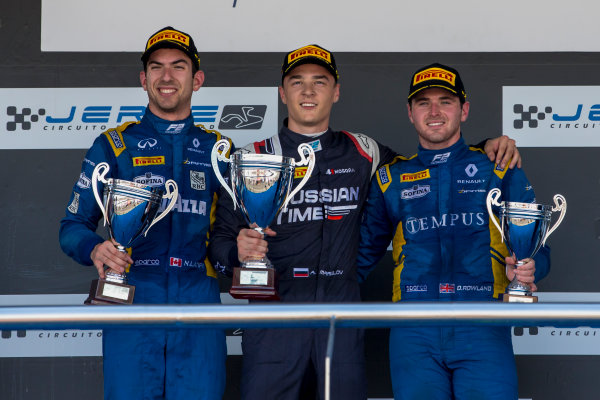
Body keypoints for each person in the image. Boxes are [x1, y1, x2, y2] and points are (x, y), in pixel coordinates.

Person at [208, 46, 521, 399]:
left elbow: (427, 168)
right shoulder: (249, 158)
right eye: (297, 82)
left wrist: (487, 149)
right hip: (273, 320)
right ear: (282, 93)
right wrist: (237, 252)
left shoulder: (365, 151)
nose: (308, 92)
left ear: (337, 91)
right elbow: (218, 246)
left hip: (341, 320)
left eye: (320, 82)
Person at [357, 63, 550, 399]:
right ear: (410, 112)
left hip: (483, 324)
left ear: (464, 109)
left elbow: (539, 250)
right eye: (423, 103)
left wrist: (532, 269)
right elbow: (360, 256)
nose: (434, 111)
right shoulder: (390, 179)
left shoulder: (499, 167)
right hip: (413, 330)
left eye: (445, 101)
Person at [59, 26, 231, 400]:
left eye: (178, 66)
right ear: (144, 79)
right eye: (156, 67)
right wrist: (94, 248)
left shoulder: (218, 148)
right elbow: (72, 225)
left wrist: (245, 252)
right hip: (132, 297)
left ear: (197, 79)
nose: (166, 77)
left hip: (198, 301)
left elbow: (228, 235)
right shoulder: (114, 145)